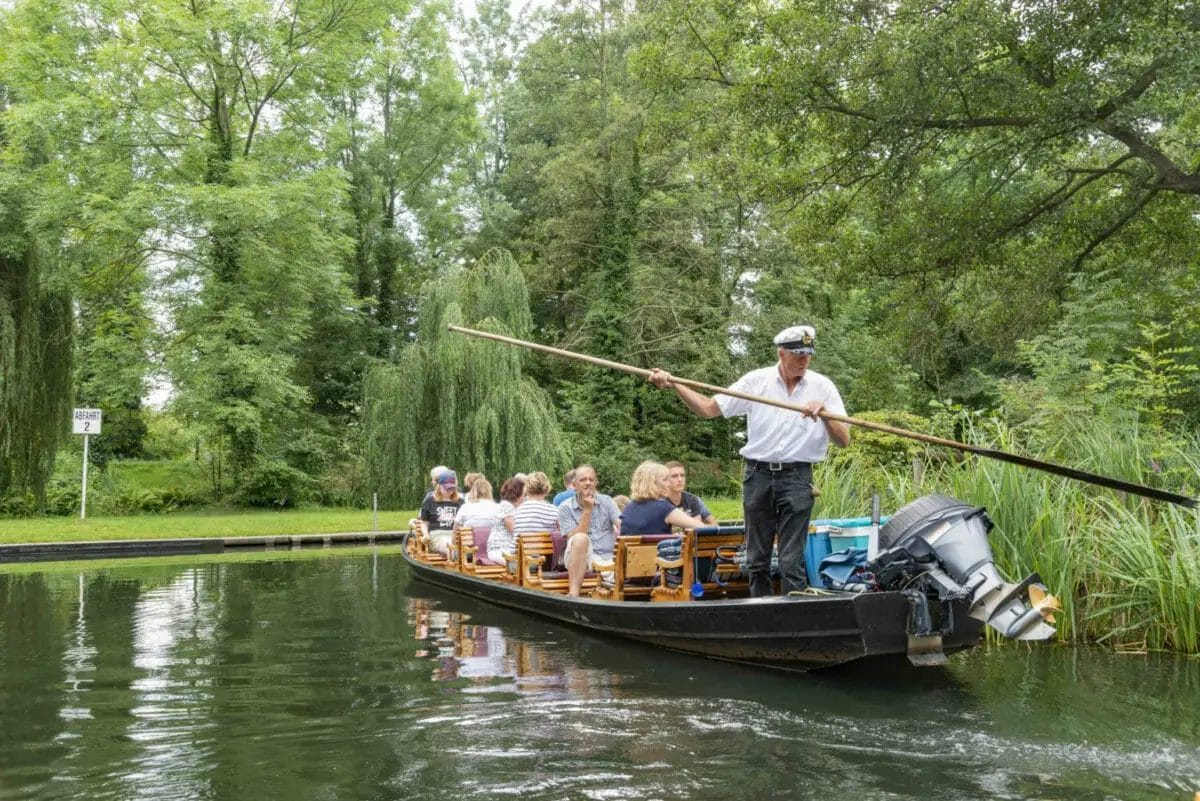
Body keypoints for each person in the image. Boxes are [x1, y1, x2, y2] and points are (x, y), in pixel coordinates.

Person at [648, 324, 850, 596]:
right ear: (781, 353)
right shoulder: (756, 382)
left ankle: (795, 617)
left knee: (791, 559)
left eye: (808, 354)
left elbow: (843, 439)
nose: (804, 360)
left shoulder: (822, 386)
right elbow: (708, 409)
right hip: (758, 475)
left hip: (798, 477)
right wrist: (674, 383)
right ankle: (761, 613)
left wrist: (825, 414)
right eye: (798, 354)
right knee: (757, 558)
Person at [557, 464, 621, 596]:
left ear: (596, 483)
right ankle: (574, 594)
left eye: (591, 480)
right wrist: (587, 510)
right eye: (583, 480)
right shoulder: (565, 508)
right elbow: (574, 538)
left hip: (608, 556)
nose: (588, 483)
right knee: (580, 539)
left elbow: (623, 525)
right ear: (574, 485)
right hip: (580, 556)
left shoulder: (607, 501)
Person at [620, 461, 706, 534]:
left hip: (632, 553)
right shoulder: (662, 508)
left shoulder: (629, 507)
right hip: (656, 553)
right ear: (652, 483)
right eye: (665, 480)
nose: (668, 484)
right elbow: (701, 528)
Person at [420, 468, 464, 558]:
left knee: (465, 552)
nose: (449, 491)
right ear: (439, 486)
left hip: (456, 535)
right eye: (447, 488)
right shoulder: (429, 501)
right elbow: (424, 523)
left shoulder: (460, 502)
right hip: (437, 535)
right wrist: (425, 534)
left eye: (452, 488)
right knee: (453, 551)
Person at [664, 461, 717, 525]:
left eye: (682, 475)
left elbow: (714, 524)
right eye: (674, 476)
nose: (680, 479)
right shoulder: (658, 502)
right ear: (665, 479)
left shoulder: (693, 500)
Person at [487, 476, 525, 564]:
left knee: (527, 563)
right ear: (517, 494)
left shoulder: (512, 507)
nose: (524, 496)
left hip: (509, 549)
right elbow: (514, 530)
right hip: (500, 549)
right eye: (524, 493)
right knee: (521, 564)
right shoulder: (506, 506)